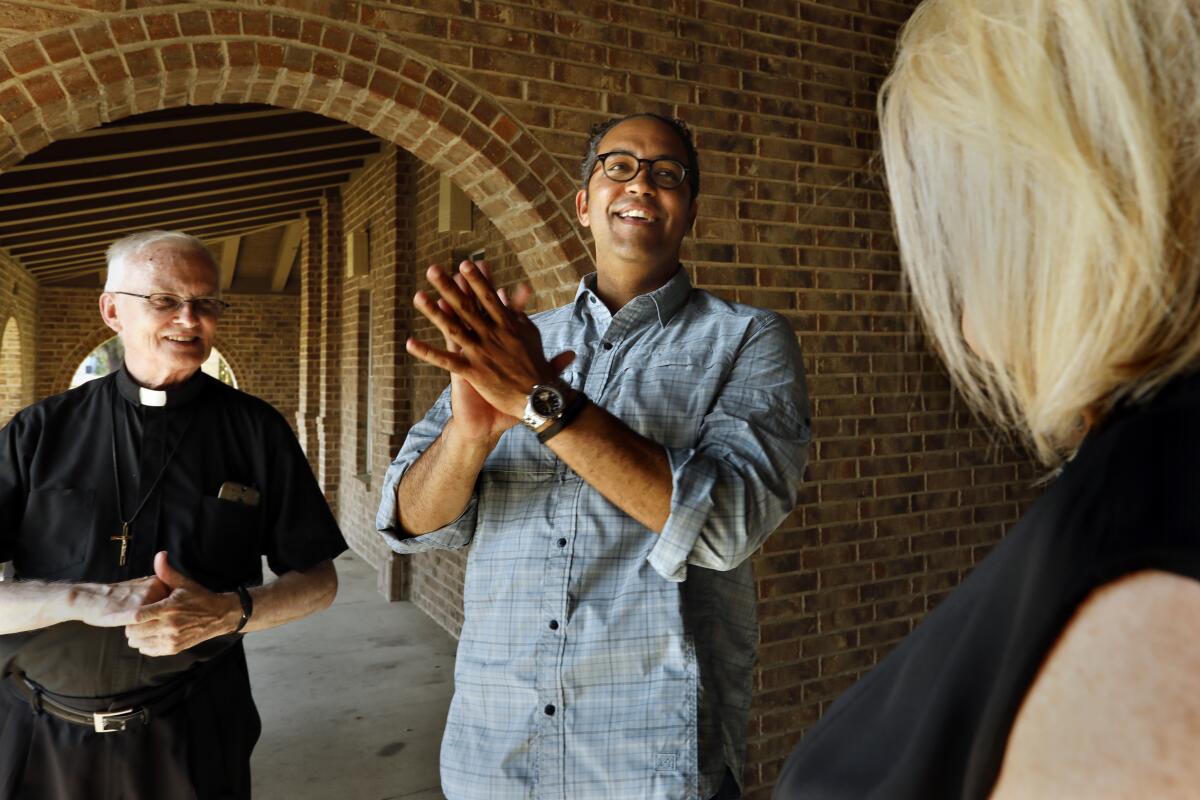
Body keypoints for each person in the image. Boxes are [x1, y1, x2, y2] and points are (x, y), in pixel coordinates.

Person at [775, 1, 1200, 797]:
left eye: (967, 227)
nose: (969, 330)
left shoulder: (1152, 528)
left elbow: (717, 519)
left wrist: (547, 409)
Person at [376, 113, 811, 800]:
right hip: (494, 750)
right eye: (620, 166)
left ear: (690, 211)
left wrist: (543, 401)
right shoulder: (515, 343)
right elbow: (409, 524)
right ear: (585, 203)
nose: (642, 183)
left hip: (651, 757)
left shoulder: (748, 339)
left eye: (668, 174)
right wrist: (469, 436)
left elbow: (727, 525)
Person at [0, 231, 347, 799]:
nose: (190, 318)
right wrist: (78, 599)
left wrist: (229, 614)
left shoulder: (256, 431)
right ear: (113, 310)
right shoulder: (39, 431)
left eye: (207, 302)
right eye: (165, 300)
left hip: (193, 734)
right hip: (39, 734)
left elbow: (319, 582)